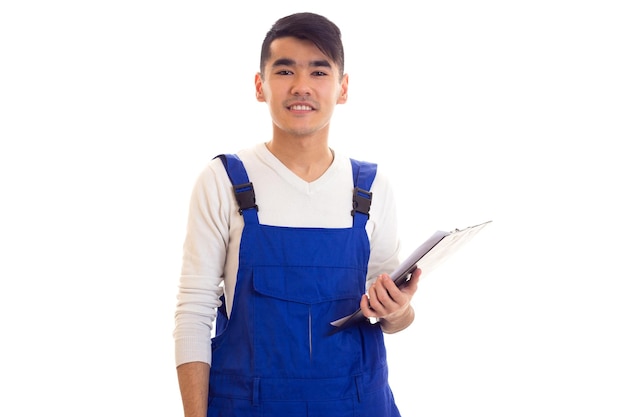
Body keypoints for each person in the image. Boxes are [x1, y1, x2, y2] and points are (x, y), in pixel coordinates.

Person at [174, 12, 420, 417]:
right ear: (260, 85)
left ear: (342, 88)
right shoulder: (223, 182)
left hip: (359, 406)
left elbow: (393, 318)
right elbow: (193, 311)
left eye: (319, 72)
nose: (301, 87)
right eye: (285, 70)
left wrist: (398, 310)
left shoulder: (372, 189)